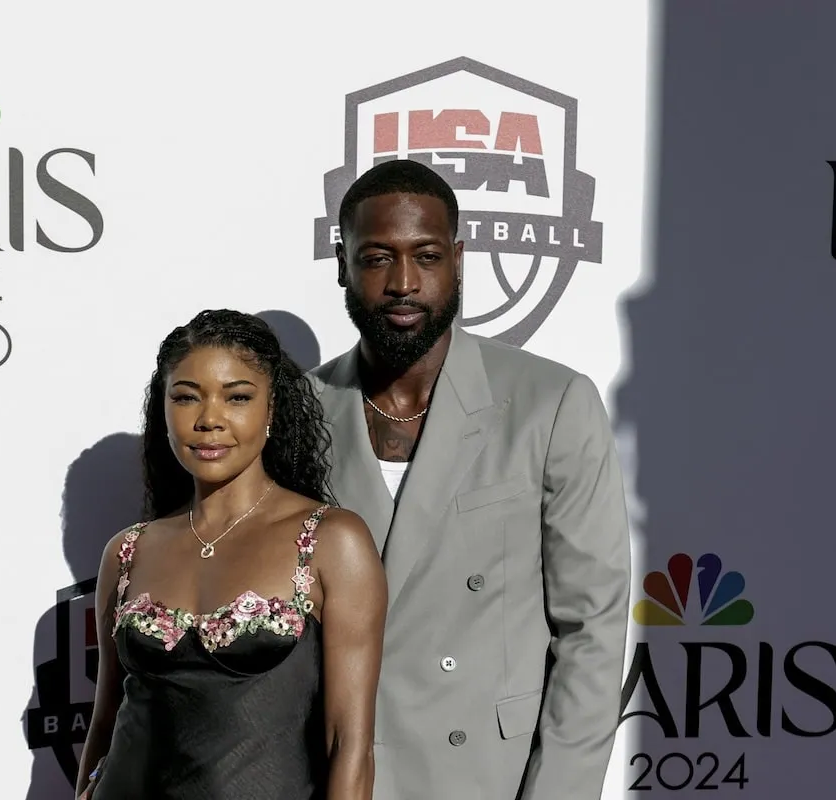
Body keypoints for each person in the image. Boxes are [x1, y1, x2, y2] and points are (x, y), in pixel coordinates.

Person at [308, 159, 631, 799]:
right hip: (337, 777)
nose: (403, 282)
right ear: (343, 263)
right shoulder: (299, 411)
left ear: (458, 259)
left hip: (488, 775)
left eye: (425, 256)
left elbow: (592, 627)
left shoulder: (551, 402)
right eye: (377, 258)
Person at [77, 309, 387, 800]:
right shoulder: (127, 551)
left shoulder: (331, 540)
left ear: (272, 409)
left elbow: (349, 743)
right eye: (185, 398)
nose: (209, 420)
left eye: (237, 397)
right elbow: (105, 722)